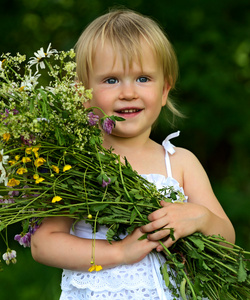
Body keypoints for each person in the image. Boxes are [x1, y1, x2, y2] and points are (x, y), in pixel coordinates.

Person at [31, 9, 235, 299]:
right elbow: (44, 244)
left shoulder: (179, 163)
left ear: (164, 90)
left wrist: (200, 218)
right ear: (82, 93)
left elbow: (226, 238)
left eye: (142, 78)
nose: (128, 92)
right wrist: (119, 252)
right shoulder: (80, 165)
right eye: (111, 80)